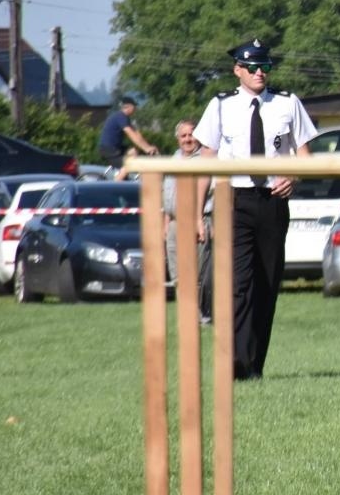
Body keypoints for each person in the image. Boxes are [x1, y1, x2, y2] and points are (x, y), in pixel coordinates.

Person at [194, 39, 317, 380]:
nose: (260, 72)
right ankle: (236, 363)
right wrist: (196, 214)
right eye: (252, 67)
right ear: (238, 70)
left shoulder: (287, 103)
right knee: (238, 285)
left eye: (265, 66)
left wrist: (293, 176)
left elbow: (305, 157)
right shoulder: (220, 106)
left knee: (266, 284)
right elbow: (205, 162)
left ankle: (254, 366)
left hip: (273, 203)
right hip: (235, 200)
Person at [163, 119, 214, 324]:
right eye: (183, 136)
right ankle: (186, 314)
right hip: (174, 223)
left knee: (196, 273)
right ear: (177, 139)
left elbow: (210, 192)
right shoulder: (173, 161)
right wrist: (165, 222)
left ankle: (200, 314)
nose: (188, 139)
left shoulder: (204, 160)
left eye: (191, 135)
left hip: (196, 221)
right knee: (177, 274)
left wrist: (199, 220)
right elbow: (166, 194)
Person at [97, 96, 157, 169]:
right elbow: (131, 135)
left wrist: (148, 147)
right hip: (109, 149)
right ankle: (119, 179)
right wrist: (146, 148)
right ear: (128, 107)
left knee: (133, 151)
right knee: (128, 165)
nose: (135, 109)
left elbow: (137, 134)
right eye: (134, 107)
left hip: (116, 148)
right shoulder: (121, 117)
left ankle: (126, 178)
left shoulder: (125, 118)